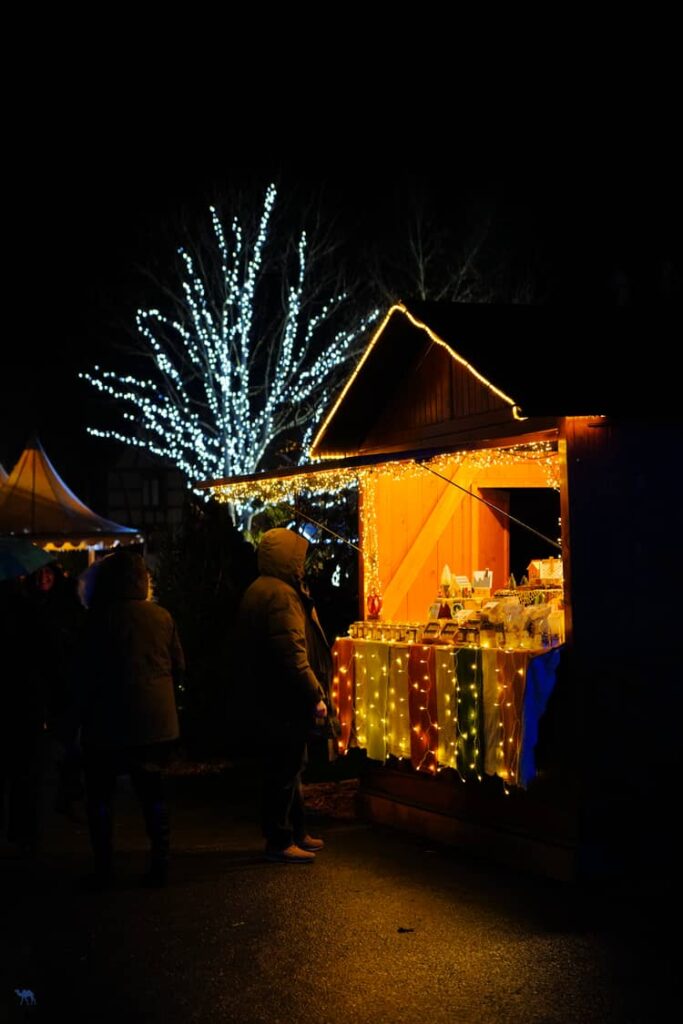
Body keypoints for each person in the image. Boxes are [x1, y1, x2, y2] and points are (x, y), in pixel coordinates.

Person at [72, 549, 184, 888]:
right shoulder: (162, 617)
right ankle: (160, 863)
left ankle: (104, 867)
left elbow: (82, 674)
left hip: (107, 722)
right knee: (152, 795)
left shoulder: (96, 619)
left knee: (101, 796)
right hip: (155, 722)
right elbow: (179, 666)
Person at [238, 527, 337, 864]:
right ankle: (280, 839)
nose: (303, 565)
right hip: (282, 697)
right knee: (285, 766)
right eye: (299, 558)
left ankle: (296, 831)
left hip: (269, 695)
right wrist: (314, 692)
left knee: (290, 764)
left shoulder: (261, 589)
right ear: (288, 559)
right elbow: (291, 651)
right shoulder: (281, 595)